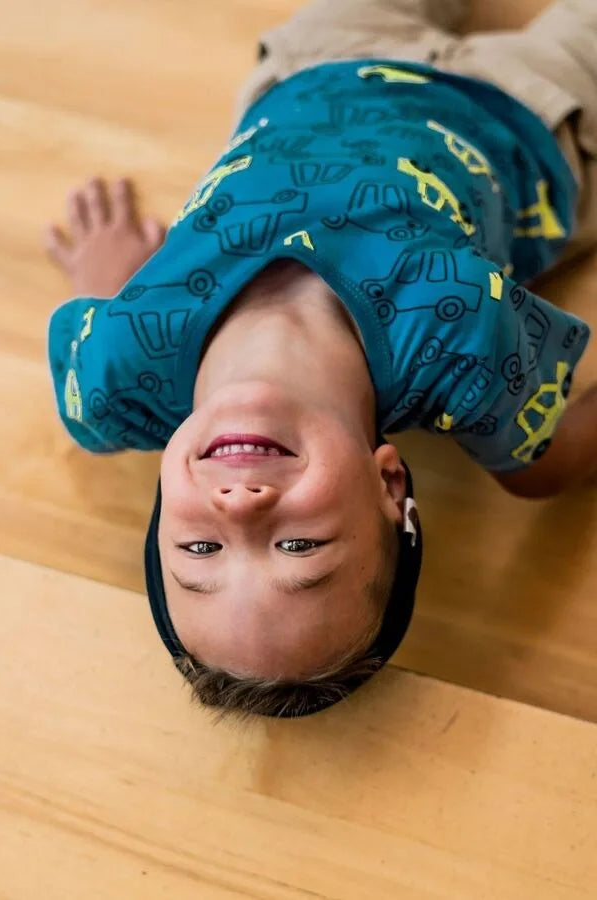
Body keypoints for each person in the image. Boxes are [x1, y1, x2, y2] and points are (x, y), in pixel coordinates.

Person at [46, 0, 597, 719]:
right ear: (391, 484)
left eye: (200, 551)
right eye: (299, 545)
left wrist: (109, 279)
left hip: (319, 64)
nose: (240, 509)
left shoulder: (112, 377)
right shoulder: (461, 359)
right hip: (527, 113)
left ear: (161, 506)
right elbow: (542, 468)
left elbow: (92, 325)